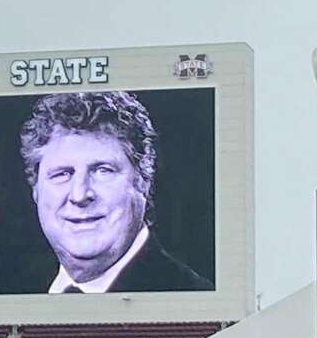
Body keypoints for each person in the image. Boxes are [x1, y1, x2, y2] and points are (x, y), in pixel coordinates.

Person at [19, 91, 213, 293]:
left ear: (143, 181)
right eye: (62, 174)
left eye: (103, 171)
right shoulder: (18, 290)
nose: (79, 195)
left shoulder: (193, 296)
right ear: (36, 190)